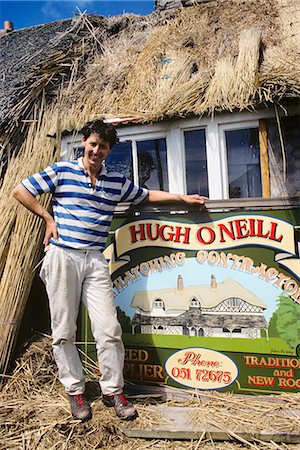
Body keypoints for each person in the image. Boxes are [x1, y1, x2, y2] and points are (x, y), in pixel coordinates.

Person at [12, 120, 207, 422]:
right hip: (63, 255)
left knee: (109, 329)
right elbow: (20, 190)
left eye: (103, 147)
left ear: (109, 150)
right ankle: (75, 390)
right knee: (64, 330)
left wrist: (183, 198)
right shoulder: (62, 170)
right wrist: (47, 218)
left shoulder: (115, 182)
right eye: (92, 144)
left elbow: (146, 195)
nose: (96, 150)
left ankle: (112, 390)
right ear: (83, 142)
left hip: (95, 260)